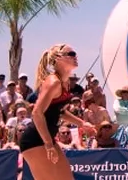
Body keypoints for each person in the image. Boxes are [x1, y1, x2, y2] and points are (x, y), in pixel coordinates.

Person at [19, 44, 95, 180]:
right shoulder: (53, 82)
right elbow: (37, 113)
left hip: (46, 139)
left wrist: (82, 123)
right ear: (58, 59)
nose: (75, 56)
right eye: (71, 54)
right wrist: (48, 145)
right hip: (35, 140)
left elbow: (59, 111)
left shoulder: (64, 82)